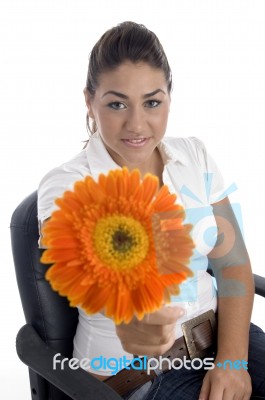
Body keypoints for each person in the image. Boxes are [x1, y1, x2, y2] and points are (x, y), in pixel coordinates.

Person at [37, 21, 265, 399]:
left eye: (152, 102)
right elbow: (79, 256)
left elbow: (233, 265)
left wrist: (231, 363)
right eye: (116, 104)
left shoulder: (193, 155)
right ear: (89, 101)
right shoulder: (65, 184)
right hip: (143, 374)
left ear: (169, 98)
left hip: (223, 340)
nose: (137, 124)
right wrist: (134, 319)